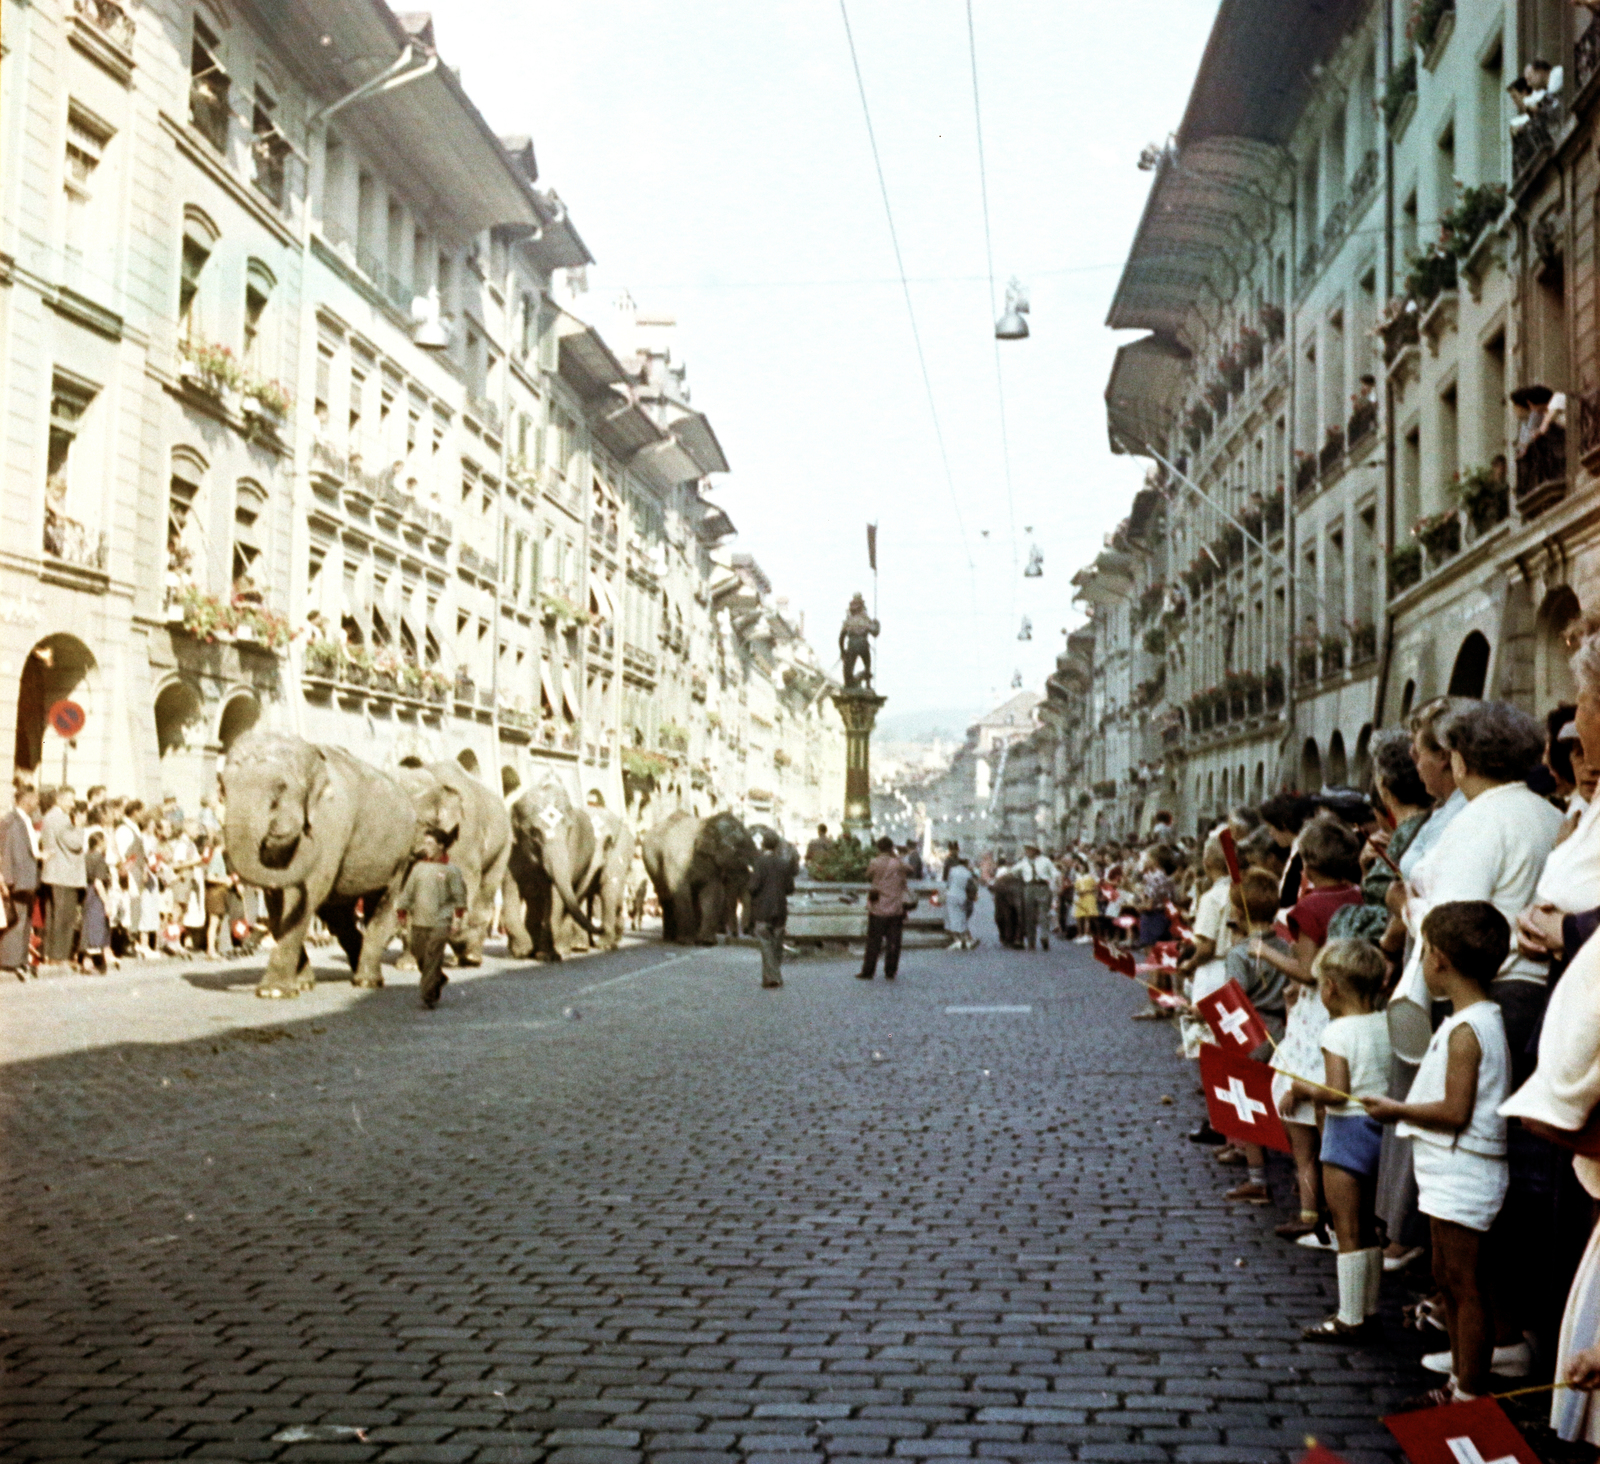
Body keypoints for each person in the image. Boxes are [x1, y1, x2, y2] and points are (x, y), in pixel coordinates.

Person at [1366, 901, 1514, 1407]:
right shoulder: (1466, 1021)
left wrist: (1395, 1109)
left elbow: (1455, 1110)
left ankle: (1471, 1391)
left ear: (1439, 960)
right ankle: (1461, 1369)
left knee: (1464, 1282)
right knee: (1446, 1277)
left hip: (1464, 1168)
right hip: (1447, 1167)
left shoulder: (1468, 1030)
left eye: (1425, 950)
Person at [1292, 939, 1392, 1340]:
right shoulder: (1384, 1022)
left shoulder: (1337, 1031)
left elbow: (1335, 1092)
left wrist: (1302, 1089)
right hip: (1380, 1128)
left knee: (1346, 1227)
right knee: (1368, 1226)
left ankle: (1350, 1317)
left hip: (1346, 1131)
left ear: (1330, 987)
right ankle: (1368, 1306)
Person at [396, 828, 467, 1009]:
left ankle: (428, 995)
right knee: (419, 955)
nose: (425, 847)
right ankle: (438, 977)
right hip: (419, 920)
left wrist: (457, 920)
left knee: (433, 956)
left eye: (429, 843)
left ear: (441, 846)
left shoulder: (452, 871)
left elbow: (459, 897)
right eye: (424, 842)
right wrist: (402, 913)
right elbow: (408, 892)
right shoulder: (418, 868)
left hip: (440, 922)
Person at [0, 786, 41, 979]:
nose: (37, 802)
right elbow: (6, 852)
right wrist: (8, 881)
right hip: (17, 879)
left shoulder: (25, 820)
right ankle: (10, 961)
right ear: (26, 799)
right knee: (15, 920)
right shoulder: (11, 821)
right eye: (35, 798)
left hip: (28, 877)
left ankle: (20, 959)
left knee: (25, 920)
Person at [747, 829, 794, 989]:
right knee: (777, 943)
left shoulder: (759, 863)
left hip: (762, 909)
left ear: (763, 844)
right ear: (776, 846)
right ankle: (772, 975)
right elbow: (790, 888)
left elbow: (753, 887)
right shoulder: (784, 864)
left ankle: (772, 977)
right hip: (780, 909)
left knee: (765, 943)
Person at [858, 836, 909, 981]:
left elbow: (867, 874)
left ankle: (868, 971)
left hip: (878, 908)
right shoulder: (897, 863)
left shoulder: (875, 862)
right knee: (894, 942)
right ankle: (890, 971)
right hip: (895, 908)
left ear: (879, 848)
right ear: (891, 848)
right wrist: (896, 858)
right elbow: (910, 869)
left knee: (874, 941)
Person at [79, 830, 115, 974]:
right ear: (100, 843)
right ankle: (92, 962)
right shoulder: (99, 858)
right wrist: (107, 902)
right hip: (96, 896)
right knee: (97, 926)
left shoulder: (86, 857)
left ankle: (86, 961)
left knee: (88, 925)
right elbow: (98, 882)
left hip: (87, 894)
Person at [1017, 842, 1055, 951]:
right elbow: (1014, 871)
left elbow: (1054, 873)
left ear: (1035, 850)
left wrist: (1053, 885)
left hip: (1042, 887)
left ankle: (1044, 937)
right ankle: (1031, 941)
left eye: (1029, 849)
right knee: (1029, 915)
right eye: (1026, 849)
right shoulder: (1023, 862)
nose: (1027, 851)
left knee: (1043, 914)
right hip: (1029, 887)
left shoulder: (1045, 861)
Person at [944, 855, 977, 951]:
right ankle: (966, 939)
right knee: (962, 918)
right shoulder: (968, 873)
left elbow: (948, 884)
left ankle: (957, 940)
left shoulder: (952, 870)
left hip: (951, 896)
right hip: (962, 896)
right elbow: (971, 887)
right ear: (966, 863)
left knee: (952, 919)